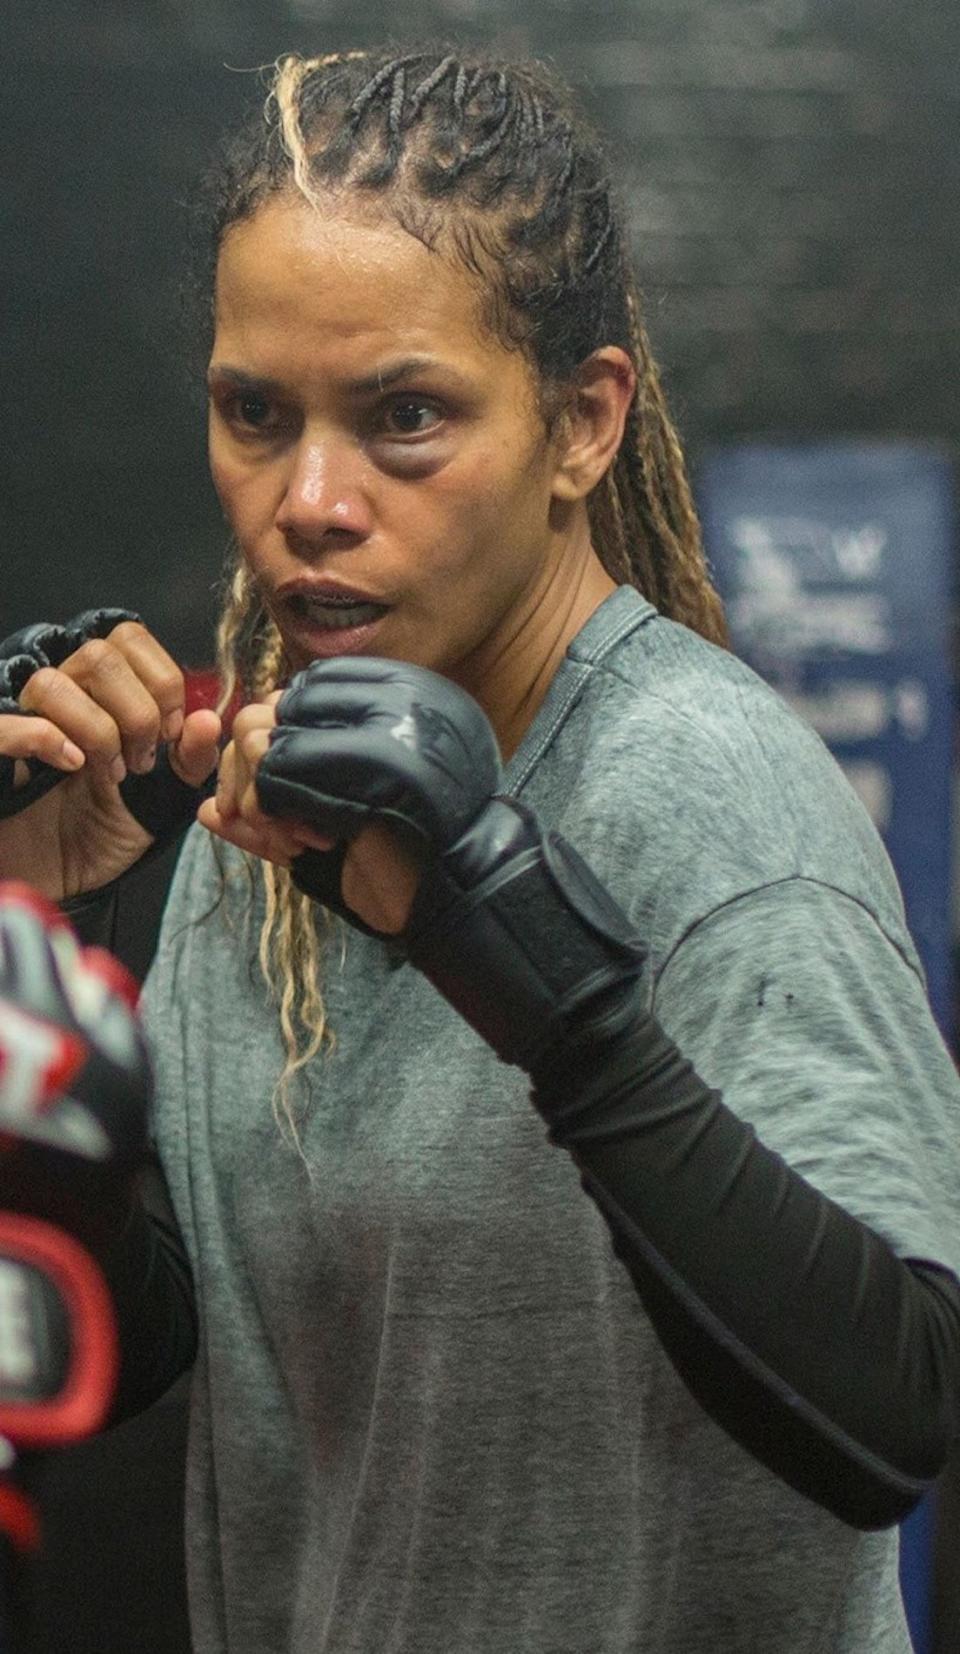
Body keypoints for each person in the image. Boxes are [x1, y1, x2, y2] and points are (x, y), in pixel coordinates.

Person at [1, 44, 959, 1654]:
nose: (309, 498)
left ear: (583, 421)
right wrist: (46, 965)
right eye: (255, 413)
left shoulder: (702, 792)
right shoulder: (283, 782)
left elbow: (894, 1414)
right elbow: (178, 1330)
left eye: (406, 418)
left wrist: (542, 979)